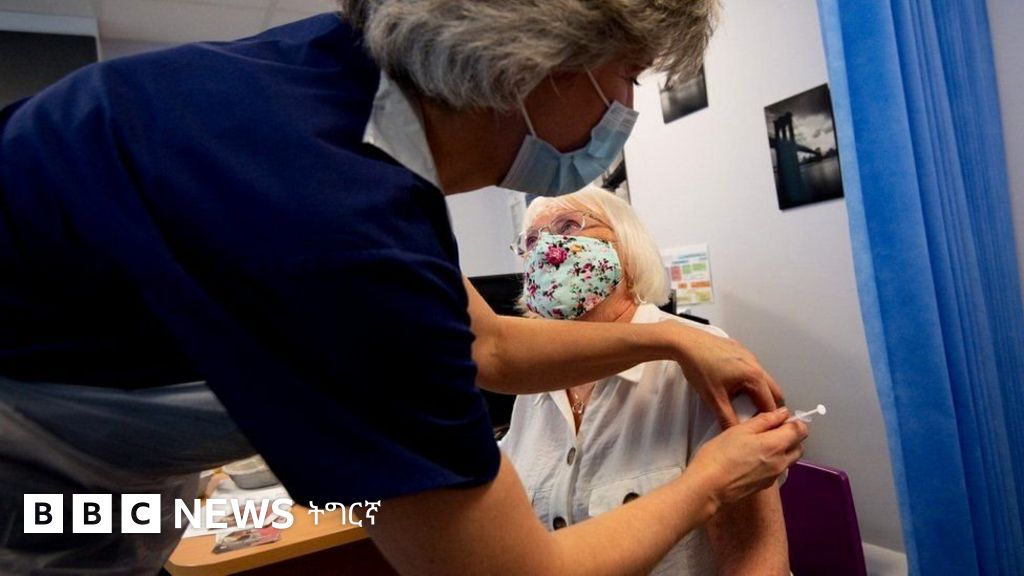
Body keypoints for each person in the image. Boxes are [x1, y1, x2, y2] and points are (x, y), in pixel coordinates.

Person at [0, 1, 807, 574]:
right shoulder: (343, 231)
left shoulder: (332, 89)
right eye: (627, 75)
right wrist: (712, 481)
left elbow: (489, 345)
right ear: (534, 65)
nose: (628, 109)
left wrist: (672, 340)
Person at [501, 186, 789, 575]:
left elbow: (756, 561)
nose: (547, 249)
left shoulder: (703, 360)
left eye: (568, 226)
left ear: (627, 247)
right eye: (532, 241)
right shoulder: (534, 377)